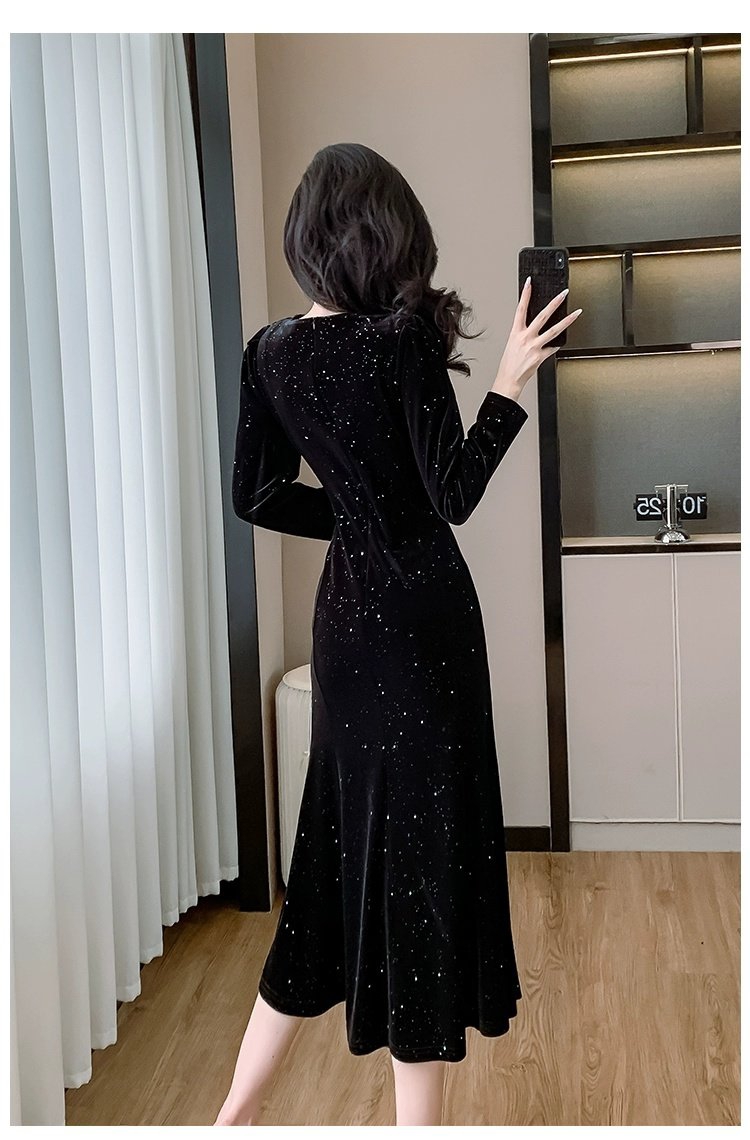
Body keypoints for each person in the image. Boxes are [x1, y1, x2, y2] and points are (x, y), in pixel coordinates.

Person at [214, 143, 582, 1128]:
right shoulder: (400, 342)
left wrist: (356, 519)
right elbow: (452, 495)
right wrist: (510, 382)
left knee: (329, 857)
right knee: (421, 873)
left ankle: (231, 1116)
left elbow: (255, 495)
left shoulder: (268, 351)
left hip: (345, 627)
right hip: (424, 632)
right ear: (387, 236)